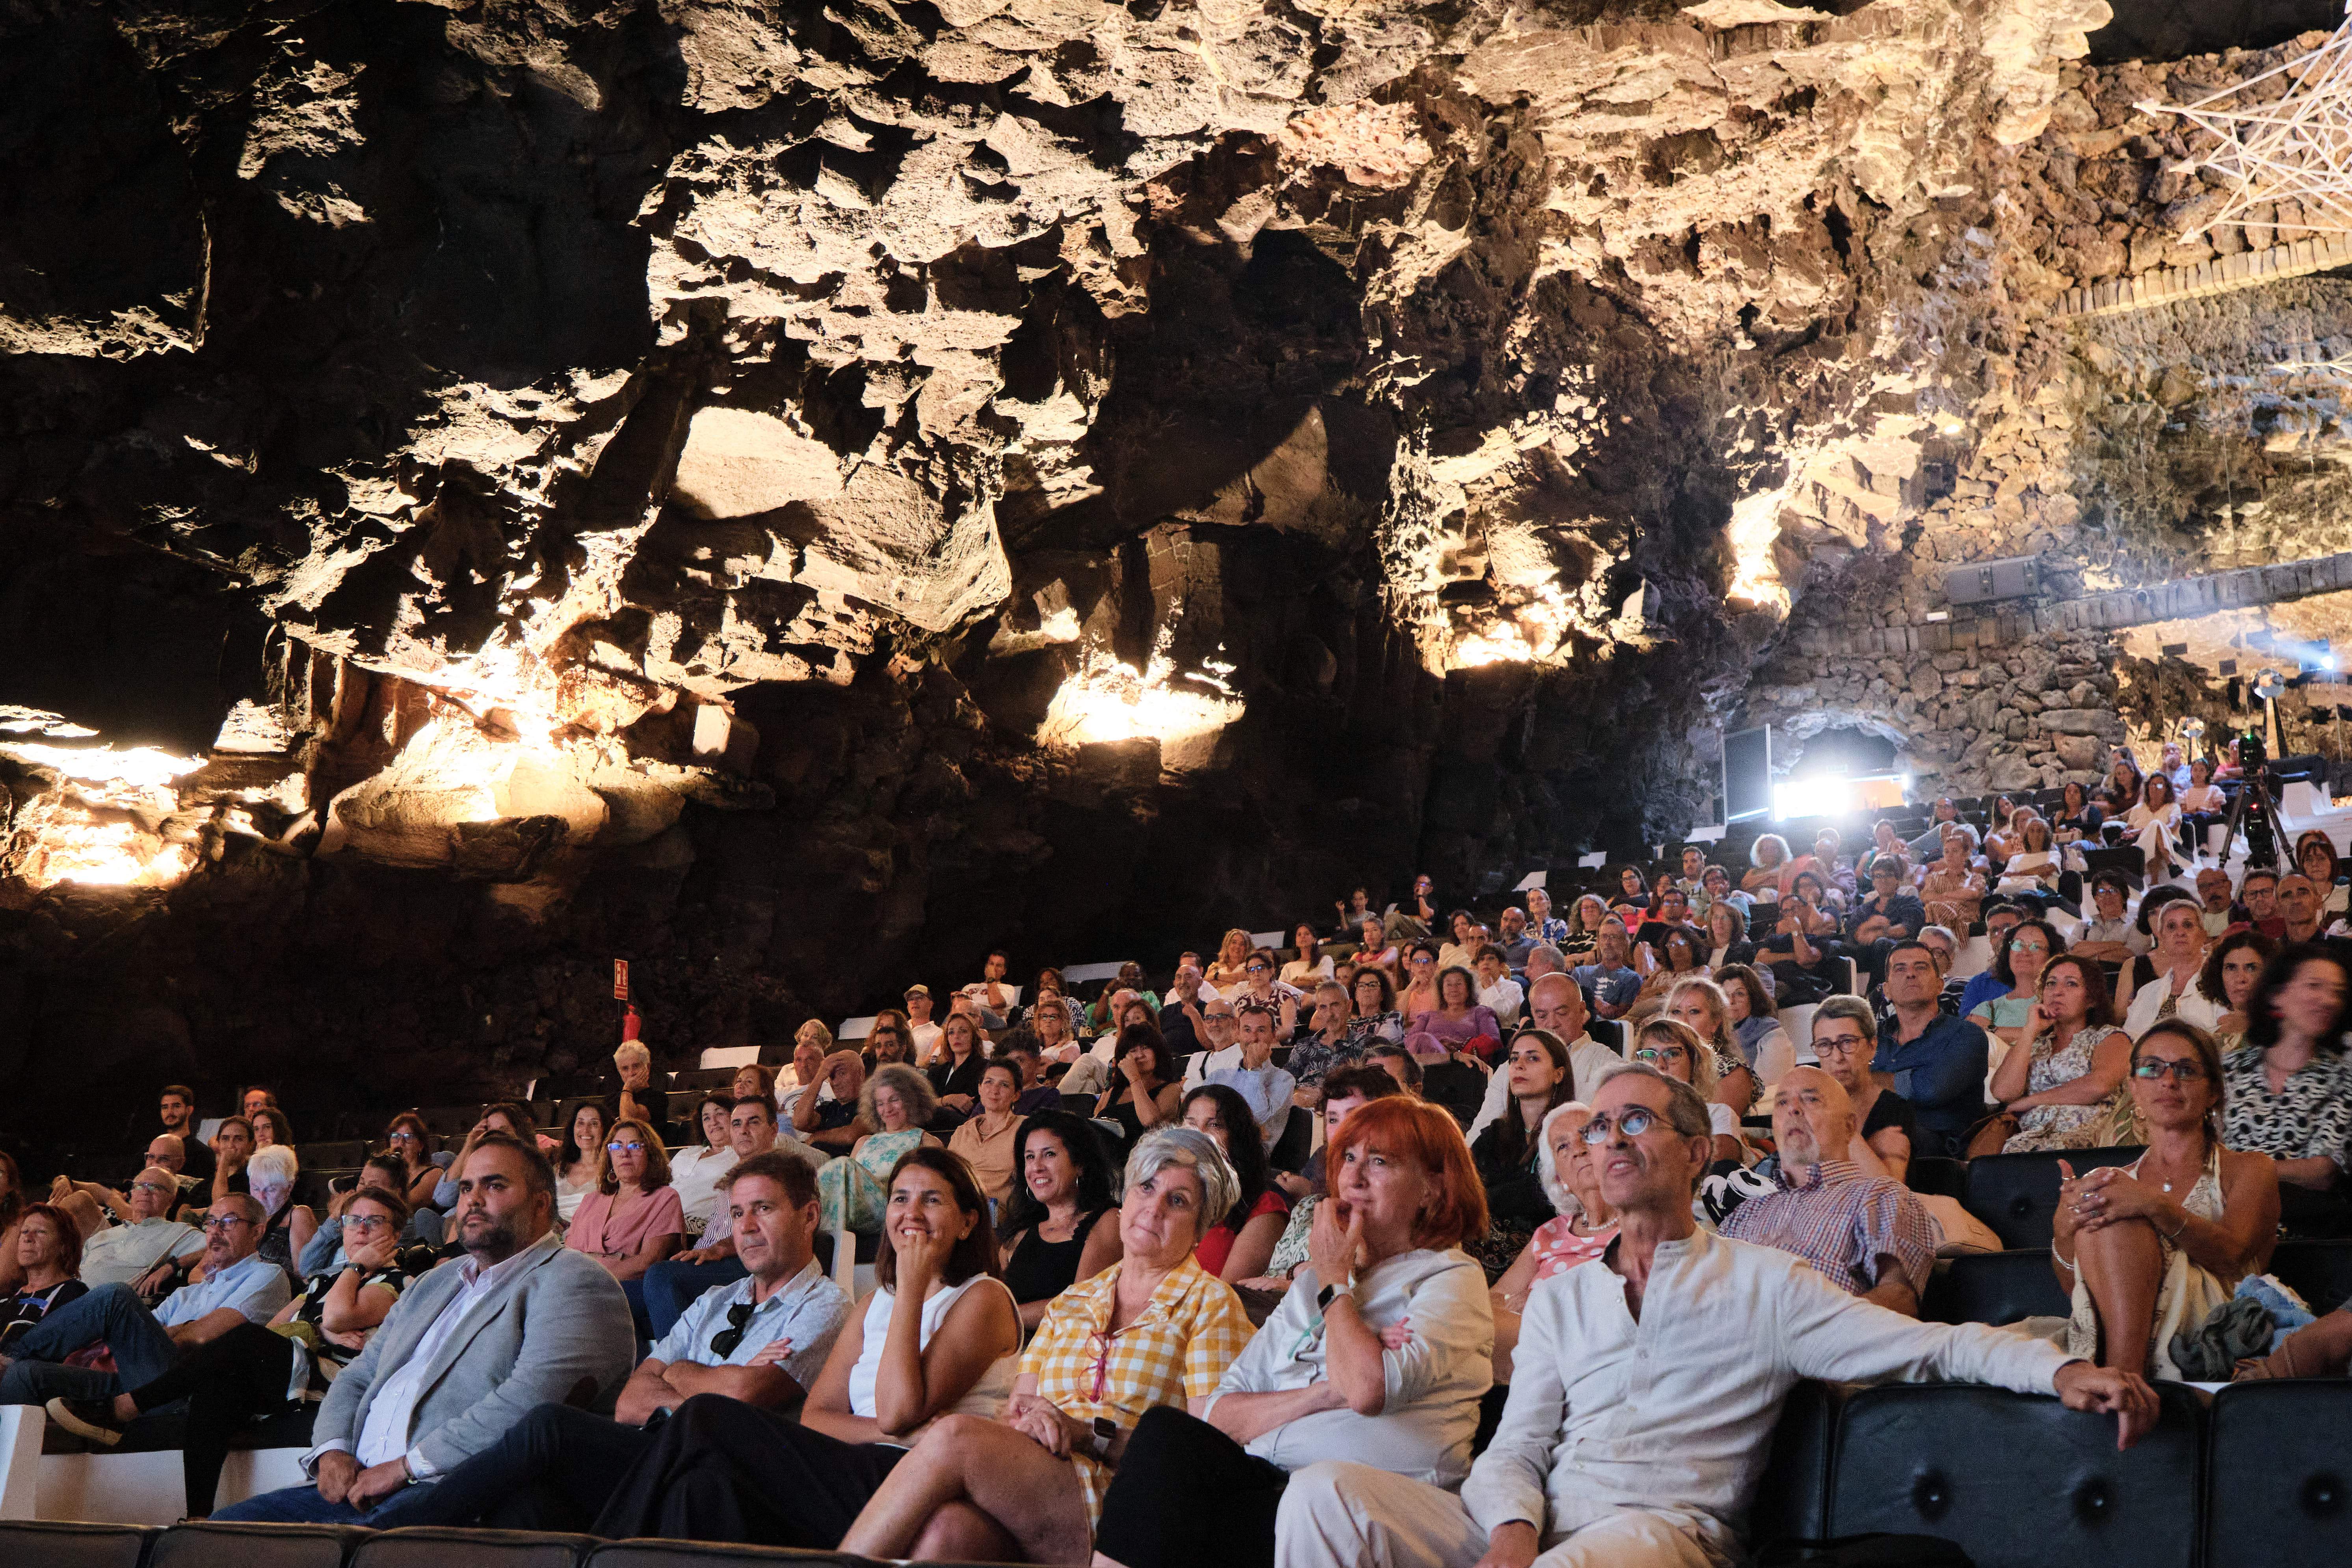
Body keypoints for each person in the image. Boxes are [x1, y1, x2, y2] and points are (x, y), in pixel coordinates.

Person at [1272, 1064, 2162, 1568]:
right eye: (1598, 1126)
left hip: (1661, 1534)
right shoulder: (1566, 1292)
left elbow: (1924, 1346)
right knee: (1324, 1495)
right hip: (1531, 1528)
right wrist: (1508, 1531)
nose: (1610, 1138)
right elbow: (1516, 1445)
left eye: (1637, 1121)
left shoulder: (1765, 1282)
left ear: (1695, 1151)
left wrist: (2057, 1370)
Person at [333, 1153, 852, 1532]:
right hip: (657, 1449)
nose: (747, 1226)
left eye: (764, 1208)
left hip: (730, 1468)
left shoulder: (826, 1306)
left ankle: (388, 1532)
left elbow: (742, 1399)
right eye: (737, 1213)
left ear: (808, 1215)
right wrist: (706, 1384)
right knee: (527, 1505)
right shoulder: (715, 1298)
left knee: (548, 1424)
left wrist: (676, 1373)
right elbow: (631, 1398)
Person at [1091, 1099, 1492, 1568]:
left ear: (1432, 1187)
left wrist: (1334, 1284)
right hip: (1272, 1483)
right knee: (1165, 1437)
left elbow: (1366, 1390)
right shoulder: (1311, 1284)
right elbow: (1220, 1412)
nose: (1354, 1177)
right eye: (1347, 1158)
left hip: (1387, 1505)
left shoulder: (1450, 1277)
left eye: (1379, 1161)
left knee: (1315, 1491)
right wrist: (1323, 1394)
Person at [835, 1127, 1253, 1564]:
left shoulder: (1211, 1304)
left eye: (1179, 1200)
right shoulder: (1071, 1303)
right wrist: (1029, 1421)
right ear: (1125, 1197)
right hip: (1041, 1481)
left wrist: (1087, 1435)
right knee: (948, 1533)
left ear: (1201, 1231)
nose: (1153, 1207)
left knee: (954, 1435)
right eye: (1146, 1187)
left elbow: (1205, 1451)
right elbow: (1019, 1408)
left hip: (1128, 1505)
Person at [590, 1148, 1020, 1546]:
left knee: (708, 1416)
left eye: (931, 1200)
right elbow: (817, 1418)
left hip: (921, 1476)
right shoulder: (874, 1303)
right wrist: (891, 1430)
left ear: (967, 1222)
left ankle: (601, 1551)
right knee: (699, 1489)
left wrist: (910, 1288)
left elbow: (898, 1411)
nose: (910, 1212)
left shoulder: (982, 1298)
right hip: (856, 1461)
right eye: (900, 1198)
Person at [210, 1136, 637, 1525]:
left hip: (455, 1499)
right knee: (210, 1539)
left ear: (542, 1204)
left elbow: (531, 1402)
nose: (472, 1200)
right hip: (353, 1491)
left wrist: (404, 1468)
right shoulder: (435, 1282)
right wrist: (333, 1450)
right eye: (467, 1187)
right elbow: (360, 1375)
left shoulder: (575, 1279)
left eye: (494, 1185)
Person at [45, 1186, 417, 1518]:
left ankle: (126, 1406)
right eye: (353, 1220)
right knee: (218, 1386)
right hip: (293, 1365)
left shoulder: (395, 1281)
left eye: (374, 1221)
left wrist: (355, 1268)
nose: (361, 1229)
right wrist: (324, 1329)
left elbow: (338, 1314)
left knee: (242, 1338)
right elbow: (278, 1330)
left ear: (395, 1234)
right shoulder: (326, 1279)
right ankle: (198, 1516)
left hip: (331, 1381)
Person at [2052, 1021, 2279, 1379]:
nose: (2168, 1081)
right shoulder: (2114, 1179)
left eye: (2186, 1070)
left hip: (2212, 1328)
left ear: (2213, 1092)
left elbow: (2233, 1258)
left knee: (2119, 1212)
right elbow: (2077, 1291)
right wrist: (2063, 1231)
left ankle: (2124, 1381)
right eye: (2152, 1068)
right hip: (2116, 1327)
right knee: (2109, 1199)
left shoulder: (2250, 1168)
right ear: (2134, 1088)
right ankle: (2124, 1380)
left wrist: (2153, 1205)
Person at [0, 1194, 292, 1409]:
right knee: (25, 1375)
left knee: (116, 1297)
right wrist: (155, 1334)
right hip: (135, 1380)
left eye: (228, 1222)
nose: (215, 1231)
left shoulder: (267, 1275)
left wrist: (151, 1335)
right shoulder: (187, 1294)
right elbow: (145, 1335)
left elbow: (203, 1337)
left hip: (181, 1390)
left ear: (258, 1230)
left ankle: (12, 1352)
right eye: (211, 1222)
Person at [1720, 1068, 1936, 1315]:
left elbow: (1899, 1300)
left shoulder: (1881, 1197)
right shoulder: (1746, 1212)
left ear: (1849, 1127)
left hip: (1818, 1342)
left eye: (1812, 1099)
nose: (1793, 1109)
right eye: (1781, 1102)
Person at [2222, 944, 2352, 1232]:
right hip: (2220, 1211)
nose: (2328, 1000)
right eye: (2314, 986)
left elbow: (2322, 1171)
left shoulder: (2342, 1076)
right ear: (2276, 995)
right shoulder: (2230, 1068)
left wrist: (2242, 1171)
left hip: (2299, 1224)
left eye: (2337, 992)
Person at [1488, 1104, 1616, 1384]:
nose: (1579, 1149)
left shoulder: (1636, 1226)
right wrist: (1515, 1303)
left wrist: (1539, 1305)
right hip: (1526, 1350)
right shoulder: (1549, 1233)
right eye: (1563, 1146)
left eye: (1587, 1136)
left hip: (1589, 1349)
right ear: (1560, 1178)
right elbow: (1493, 1300)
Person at [1987, 955, 2133, 1155]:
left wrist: (2031, 1101)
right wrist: (2030, 1031)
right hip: (2027, 1144)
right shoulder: (2035, 1044)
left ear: (2090, 1000)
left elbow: (2100, 1085)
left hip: (2088, 1144)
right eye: (2051, 984)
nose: (2057, 992)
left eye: (2071, 984)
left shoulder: (2108, 1037)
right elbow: (2004, 1093)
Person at [998, 1111, 1123, 1328]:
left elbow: (1081, 1304)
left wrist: (1002, 1319)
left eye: (1049, 1154)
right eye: (1030, 1157)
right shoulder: (1020, 1231)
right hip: (1009, 1348)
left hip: (1066, 1352)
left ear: (1080, 1165)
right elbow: (989, 1296)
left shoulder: (1109, 1220)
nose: (1036, 1167)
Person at [1469, 1031, 1577, 1277]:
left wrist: (1497, 1194)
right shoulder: (1495, 1133)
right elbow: (1468, 1189)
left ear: (1559, 1074)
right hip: (1484, 1240)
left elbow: (1552, 1200)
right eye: (1514, 1059)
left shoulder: (1571, 1135)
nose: (1519, 1065)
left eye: (1533, 1059)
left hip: (1546, 1248)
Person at [568, 1116, 686, 1339]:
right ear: (610, 1155)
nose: (625, 1153)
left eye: (635, 1146)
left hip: (634, 1287)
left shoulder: (665, 1198)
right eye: (617, 1146)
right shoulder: (591, 1200)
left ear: (650, 1153)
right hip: (582, 1285)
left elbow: (646, 1263)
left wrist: (590, 1276)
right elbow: (570, 1256)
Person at [1876, 941, 1990, 1158]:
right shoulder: (1874, 1038)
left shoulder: (1966, 1034)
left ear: (1940, 986)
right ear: (1887, 990)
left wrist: (1866, 1079)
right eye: (1900, 969)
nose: (1910, 974)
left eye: (1921, 967)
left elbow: (1930, 1089)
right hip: (1879, 1142)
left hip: (1941, 1153)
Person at [1183, 1085, 1292, 1282]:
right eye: (1191, 1123)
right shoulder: (1171, 1193)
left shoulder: (1264, 1207)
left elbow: (1228, 1298)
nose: (1199, 1134)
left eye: (1215, 1125)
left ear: (1237, 1137)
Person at [821, 1064, 943, 1235]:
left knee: (843, 1165)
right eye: (880, 1104)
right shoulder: (864, 1141)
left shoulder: (926, 1142)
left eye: (894, 1100)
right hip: (853, 1210)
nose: (887, 1109)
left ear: (910, 1100)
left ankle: (830, 1243)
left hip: (893, 1208)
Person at [1810, 997, 1914, 1185]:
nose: (1837, 1057)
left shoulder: (1895, 1110)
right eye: (1825, 1045)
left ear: (1872, 1047)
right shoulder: (1807, 1106)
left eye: (1847, 1042)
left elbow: (1892, 1197)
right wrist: (1870, 1148)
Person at [1628, 1017, 1745, 1166]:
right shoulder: (1628, 1121)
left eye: (1672, 1054)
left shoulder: (1717, 1115)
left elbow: (1714, 1174)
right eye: (1650, 1055)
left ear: (1694, 1062)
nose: (1660, 1065)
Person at [72, 1166, 200, 1291]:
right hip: (70, 1295)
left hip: (104, 1305)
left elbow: (216, 1247)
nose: (145, 1192)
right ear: (131, 1194)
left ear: (171, 1199)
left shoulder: (178, 1232)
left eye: (155, 1187)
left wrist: (172, 1266)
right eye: (139, 1186)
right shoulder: (103, 1235)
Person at [2120, 896, 2223, 1038]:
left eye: (2188, 925)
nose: (2180, 933)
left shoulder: (2221, 984)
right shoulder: (2146, 992)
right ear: (2162, 938)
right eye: (2171, 927)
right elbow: (2128, 1040)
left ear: (2203, 934)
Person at [1968, 917, 2064, 1056]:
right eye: (2018, 945)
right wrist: (2033, 1032)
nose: (2025, 952)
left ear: (2051, 956)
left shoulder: (2061, 1000)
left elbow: (2060, 1040)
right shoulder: (1988, 1008)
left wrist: (1993, 1031)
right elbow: (1974, 1040)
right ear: (2009, 953)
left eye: (2036, 946)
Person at [1210, 1003, 1298, 1151]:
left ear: (1274, 1034)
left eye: (1261, 1030)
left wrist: (1255, 1069)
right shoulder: (1218, 1077)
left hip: (1250, 1160)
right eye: (1247, 1030)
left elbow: (1257, 1119)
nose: (1253, 1039)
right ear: (1238, 1033)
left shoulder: (1284, 1080)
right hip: (1212, 1151)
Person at [1, 1205, 87, 1349]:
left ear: (64, 1246)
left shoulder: (74, 1294)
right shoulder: (9, 1297)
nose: (28, 1238)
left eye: (41, 1232)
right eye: (25, 1232)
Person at [948, 1061, 1027, 1204]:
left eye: (1004, 1085)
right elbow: (947, 1176)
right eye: (989, 1082)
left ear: (1016, 1095)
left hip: (998, 1211)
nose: (994, 1090)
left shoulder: (1024, 1128)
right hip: (960, 1207)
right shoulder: (963, 1131)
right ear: (980, 1088)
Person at [668, 1095, 742, 1242]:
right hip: (661, 1217)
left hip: (694, 1228)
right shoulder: (688, 1152)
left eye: (719, 1114)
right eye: (706, 1118)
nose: (713, 1122)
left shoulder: (739, 1157)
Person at [1097, 1025, 1182, 1149]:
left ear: (1157, 1052)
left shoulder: (1171, 1089)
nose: (1140, 1055)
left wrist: (1134, 1079)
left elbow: (1149, 1122)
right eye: (1133, 1051)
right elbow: (1098, 1121)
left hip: (1145, 1156)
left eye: (1145, 1048)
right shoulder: (1115, 1091)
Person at [2199, 928, 2275, 1048]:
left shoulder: (2285, 1028)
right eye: (2231, 968)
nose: (2240, 979)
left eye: (2251, 968)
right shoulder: (2212, 1034)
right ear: (2219, 975)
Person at [1954, 902, 2028, 1017]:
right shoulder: (1979, 985)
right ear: (1989, 939)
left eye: (2008, 929)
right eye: (1994, 931)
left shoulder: (2043, 974)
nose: (2001, 936)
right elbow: (1968, 1030)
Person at [383, 1112, 452, 1236]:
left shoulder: (434, 1172)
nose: (401, 1143)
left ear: (421, 1146)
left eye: (408, 1137)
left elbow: (406, 1207)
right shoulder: (385, 1173)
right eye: (396, 1136)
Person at [795, 1050, 871, 1155]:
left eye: (842, 1073)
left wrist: (817, 1137)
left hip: (839, 1163)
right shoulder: (830, 1107)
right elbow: (799, 1123)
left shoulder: (870, 1104)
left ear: (860, 1074)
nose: (835, 1082)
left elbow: (851, 1135)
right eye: (832, 1076)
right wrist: (820, 1076)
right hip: (814, 1160)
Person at [612, 1041, 679, 1150]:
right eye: (625, 1069)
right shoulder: (612, 1100)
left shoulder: (658, 1098)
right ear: (620, 1073)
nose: (631, 1073)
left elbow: (629, 1121)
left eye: (636, 1066)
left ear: (647, 1067)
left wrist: (628, 1088)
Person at [1570, 922, 1641, 1021]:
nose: (1608, 942)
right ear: (1598, 942)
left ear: (1625, 942)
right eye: (1604, 937)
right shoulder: (1580, 972)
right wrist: (1595, 1002)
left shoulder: (1632, 978)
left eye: (1614, 937)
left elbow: (1622, 1016)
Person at [1919, 829, 1984, 932]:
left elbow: (1972, 893)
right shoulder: (1933, 877)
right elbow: (1926, 897)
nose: (1950, 855)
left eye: (1955, 851)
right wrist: (1959, 900)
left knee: (1933, 906)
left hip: (1965, 922)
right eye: (1947, 851)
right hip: (1937, 921)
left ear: (1966, 854)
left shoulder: (1976, 877)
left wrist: (1942, 897)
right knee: (1931, 907)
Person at [2069, 874, 2144, 965]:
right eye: (2101, 891)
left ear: (2124, 898)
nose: (2107, 896)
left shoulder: (2136, 925)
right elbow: (2073, 954)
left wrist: (2088, 955)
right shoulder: (2083, 926)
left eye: (2113, 890)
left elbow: (2130, 956)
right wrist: (2116, 945)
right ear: (2096, 899)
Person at [2126, 773, 2185, 880]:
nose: (2155, 788)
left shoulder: (2173, 807)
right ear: (2148, 787)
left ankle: (2155, 881)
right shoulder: (2137, 809)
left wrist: (2141, 831)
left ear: (2167, 789)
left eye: (2160, 785)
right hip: (2140, 843)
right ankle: (2171, 864)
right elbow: (2129, 830)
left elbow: (2171, 827)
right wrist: (2128, 833)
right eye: (2152, 785)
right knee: (2153, 836)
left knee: (2157, 825)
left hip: (2169, 841)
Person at [928, 1012, 989, 1116]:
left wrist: (938, 1103)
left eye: (963, 1031)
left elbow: (972, 1106)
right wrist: (948, 1100)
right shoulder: (936, 1072)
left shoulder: (986, 1068)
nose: (956, 1036)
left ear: (974, 1037)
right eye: (951, 1033)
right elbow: (923, 1105)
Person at [160, 1086, 217, 1189]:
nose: (170, 1112)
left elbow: (205, 1192)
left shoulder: (203, 1154)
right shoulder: (150, 1150)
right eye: (165, 1107)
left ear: (189, 1110)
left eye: (176, 1106)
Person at [1474, 945, 1526, 1029]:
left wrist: (1489, 988)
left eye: (1491, 959)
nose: (1485, 963)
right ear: (1478, 967)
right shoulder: (1475, 989)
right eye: (1482, 959)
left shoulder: (1513, 987)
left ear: (1501, 966)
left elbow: (1500, 1015)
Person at [904, 986, 944, 1061]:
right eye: (911, 999)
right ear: (908, 1007)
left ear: (931, 1004)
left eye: (919, 998)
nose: (914, 1002)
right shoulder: (900, 1027)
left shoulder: (939, 1034)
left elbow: (931, 1063)